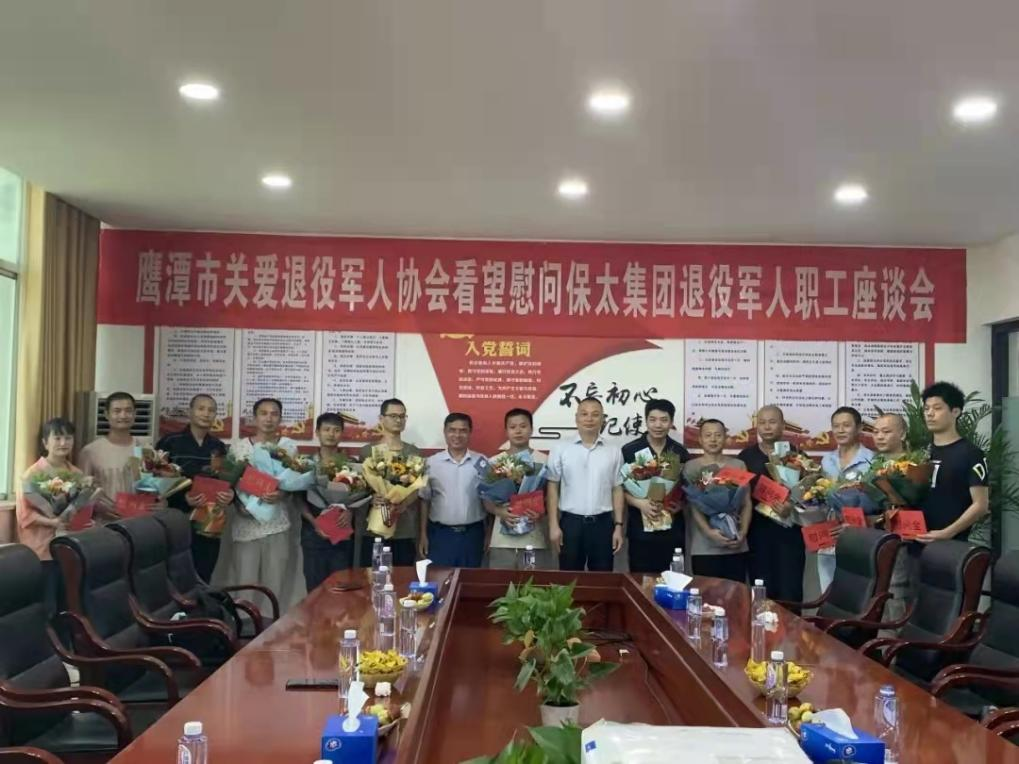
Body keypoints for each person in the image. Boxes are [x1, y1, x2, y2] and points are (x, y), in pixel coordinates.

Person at [224, 398, 303, 613]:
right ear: (254, 417)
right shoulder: (239, 447)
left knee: (274, 585)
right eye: (263, 413)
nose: (269, 418)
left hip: (276, 523)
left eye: (274, 414)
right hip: (245, 524)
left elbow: (294, 484)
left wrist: (281, 493)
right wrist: (239, 505)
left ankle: (272, 626)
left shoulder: (288, 447)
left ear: (280, 418)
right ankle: (244, 627)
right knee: (244, 584)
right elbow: (229, 483)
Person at [16, 418, 93, 614]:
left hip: (70, 546)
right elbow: (25, 515)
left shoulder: (76, 474)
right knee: (47, 603)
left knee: (69, 603)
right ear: (45, 443)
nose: (63, 443)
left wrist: (80, 516)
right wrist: (52, 521)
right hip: (42, 549)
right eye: (57, 438)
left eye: (68, 438)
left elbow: (82, 508)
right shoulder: (32, 474)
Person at [156, 394, 232, 582]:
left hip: (208, 521)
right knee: (175, 577)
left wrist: (230, 495)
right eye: (201, 408)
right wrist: (183, 499)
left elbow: (226, 481)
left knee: (204, 575)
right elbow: (155, 481)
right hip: (177, 519)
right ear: (190, 412)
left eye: (211, 410)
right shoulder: (170, 442)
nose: (206, 414)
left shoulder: (218, 447)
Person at [546, 398, 625, 572]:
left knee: (603, 579)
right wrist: (553, 525)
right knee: (569, 580)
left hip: (603, 524)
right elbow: (552, 487)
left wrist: (618, 526)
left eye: (595, 415)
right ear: (576, 418)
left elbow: (617, 488)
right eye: (584, 414)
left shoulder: (614, 450)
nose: (589, 419)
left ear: (603, 419)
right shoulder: (561, 448)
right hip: (570, 524)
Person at [739, 405, 806, 602]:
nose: (767, 427)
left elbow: (811, 491)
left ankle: (791, 623)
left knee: (790, 589)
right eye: (762, 422)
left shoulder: (797, 455)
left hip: (789, 532)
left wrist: (792, 505)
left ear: (783, 425)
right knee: (761, 590)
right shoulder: (745, 457)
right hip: (757, 533)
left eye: (772, 422)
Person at [621, 398, 689, 574]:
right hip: (640, 529)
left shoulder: (679, 452)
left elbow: (688, 488)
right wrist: (639, 503)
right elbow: (619, 488)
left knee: (673, 578)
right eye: (653, 419)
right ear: (646, 421)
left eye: (664, 420)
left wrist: (681, 504)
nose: (658, 425)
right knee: (641, 580)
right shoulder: (630, 450)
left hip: (672, 530)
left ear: (671, 423)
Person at [919, 381, 989, 543]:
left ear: (955, 411)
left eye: (937, 408)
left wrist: (947, 533)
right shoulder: (921, 453)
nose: (930, 414)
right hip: (916, 539)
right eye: (926, 408)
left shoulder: (971, 453)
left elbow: (980, 505)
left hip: (951, 545)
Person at [483, 408, 553, 570]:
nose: (518, 431)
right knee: (501, 584)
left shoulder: (544, 461)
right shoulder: (495, 462)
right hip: (501, 542)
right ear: (506, 431)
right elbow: (485, 500)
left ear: (531, 429)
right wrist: (499, 511)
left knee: (532, 583)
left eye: (523, 426)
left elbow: (552, 498)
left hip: (534, 541)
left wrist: (541, 513)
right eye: (513, 427)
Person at [683, 419, 752, 583]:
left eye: (718, 435)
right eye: (708, 435)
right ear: (700, 439)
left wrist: (742, 533)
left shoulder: (738, 465)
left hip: (736, 544)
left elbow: (746, 503)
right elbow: (694, 505)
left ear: (726, 438)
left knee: (736, 594)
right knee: (706, 595)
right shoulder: (692, 467)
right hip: (704, 547)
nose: (713, 439)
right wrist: (709, 532)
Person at [818, 406, 875, 592]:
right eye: (836, 426)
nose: (840, 430)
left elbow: (876, 500)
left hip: (860, 534)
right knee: (828, 589)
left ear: (859, 428)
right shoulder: (827, 460)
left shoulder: (872, 460)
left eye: (846, 425)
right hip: (830, 532)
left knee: (857, 591)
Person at [358, 398, 421, 567]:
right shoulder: (367, 451)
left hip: (404, 529)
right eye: (393, 416)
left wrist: (404, 502)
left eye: (402, 416)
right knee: (374, 577)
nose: (398, 420)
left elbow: (416, 487)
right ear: (381, 418)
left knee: (402, 578)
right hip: (374, 528)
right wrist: (371, 499)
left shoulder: (413, 451)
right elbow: (359, 488)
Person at [300, 413, 360, 590]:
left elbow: (359, 495)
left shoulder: (351, 464)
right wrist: (315, 523)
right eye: (326, 429)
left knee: (342, 589)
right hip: (313, 535)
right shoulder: (305, 464)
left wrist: (350, 512)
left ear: (342, 434)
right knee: (315, 589)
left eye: (336, 430)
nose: (331, 434)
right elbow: (297, 500)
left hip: (342, 534)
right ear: (317, 432)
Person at [418, 413, 485, 568]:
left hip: (473, 534)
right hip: (440, 535)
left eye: (463, 430)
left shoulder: (481, 462)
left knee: (471, 579)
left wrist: (488, 535)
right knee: (440, 579)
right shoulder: (431, 463)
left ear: (470, 432)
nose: (457, 435)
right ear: (445, 432)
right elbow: (424, 500)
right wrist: (423, 534)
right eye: (452, 430)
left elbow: (489, 500)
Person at [870, 412, 916, 625]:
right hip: (878, 536)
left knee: (896, 588)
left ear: (903, 434)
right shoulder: (874, 464)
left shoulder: (914, 464)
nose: (879, 436)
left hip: (904, 538)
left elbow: (917, 500)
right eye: (876, 432)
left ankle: (896, 637)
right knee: (877, 588)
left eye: (886, 432)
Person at [78, 391, 144, 515]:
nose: (123, 415)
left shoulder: (144, 448)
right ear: (106, 414)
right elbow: (81, 494)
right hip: (104, 522)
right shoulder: (90, 451)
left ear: (135, 414)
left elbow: (154, 488)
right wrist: (98, 506)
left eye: (128, 411)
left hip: (139, 521)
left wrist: (159, 501)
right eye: (117, 411)